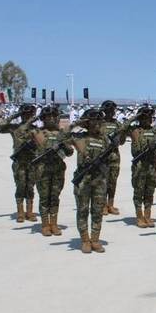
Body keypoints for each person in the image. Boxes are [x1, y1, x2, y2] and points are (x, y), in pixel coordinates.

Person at [70, 109, 115, 254]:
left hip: (100, 181)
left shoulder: (104, 139)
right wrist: (78, 123)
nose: (97, 124)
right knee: (82, 210)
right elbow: (61, 137)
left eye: (99, 122)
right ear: (87, 123)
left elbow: (113, 152)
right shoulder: (78, 137)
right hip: (83, 180)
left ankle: (95, 240)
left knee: (97, 212)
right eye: (93, 121)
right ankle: (85, 240)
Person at [29, 106, 74, 237]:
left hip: (58, 170)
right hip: (42, 170)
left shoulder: (61, 133)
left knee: (54, 197)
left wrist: (63, 144)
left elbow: (70, 152)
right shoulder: (37, 132)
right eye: (48, 117)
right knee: (44, 198)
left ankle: (54, 224)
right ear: (43, 118)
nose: (52, 119)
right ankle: (45, 225)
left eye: (54, 116)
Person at [0, 103, 39, 223]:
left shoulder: (36, 129)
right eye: (24, 114)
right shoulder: (14, 128)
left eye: (29, 114)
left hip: (32, 161)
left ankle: (29, 212)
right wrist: (15, 115)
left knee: (30, 187)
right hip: (19, 162)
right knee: (20, 186)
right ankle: (20, 212)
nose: (26, 116)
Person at [128, 105, 156, 227]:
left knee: (150, 191)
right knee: (138, 191)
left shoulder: (155, 131)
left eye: (151, 117)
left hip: (152, 165)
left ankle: (147, 215)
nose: (149, 119)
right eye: (146, 117)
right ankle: (139, 216)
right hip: (140, 165)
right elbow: (122, 127)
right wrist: (135, 116)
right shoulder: (134, 130)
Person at [100, 100, 125, 216]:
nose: (111, 113)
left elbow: (123, 140)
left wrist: (119, 138)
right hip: (102, 157)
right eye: (108, 111)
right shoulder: (99, 123)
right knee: (103, 181)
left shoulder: (117, 124)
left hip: (114, 156)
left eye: (112, 111)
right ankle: (103, 205)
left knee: (113, 182)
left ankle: (110, 204)